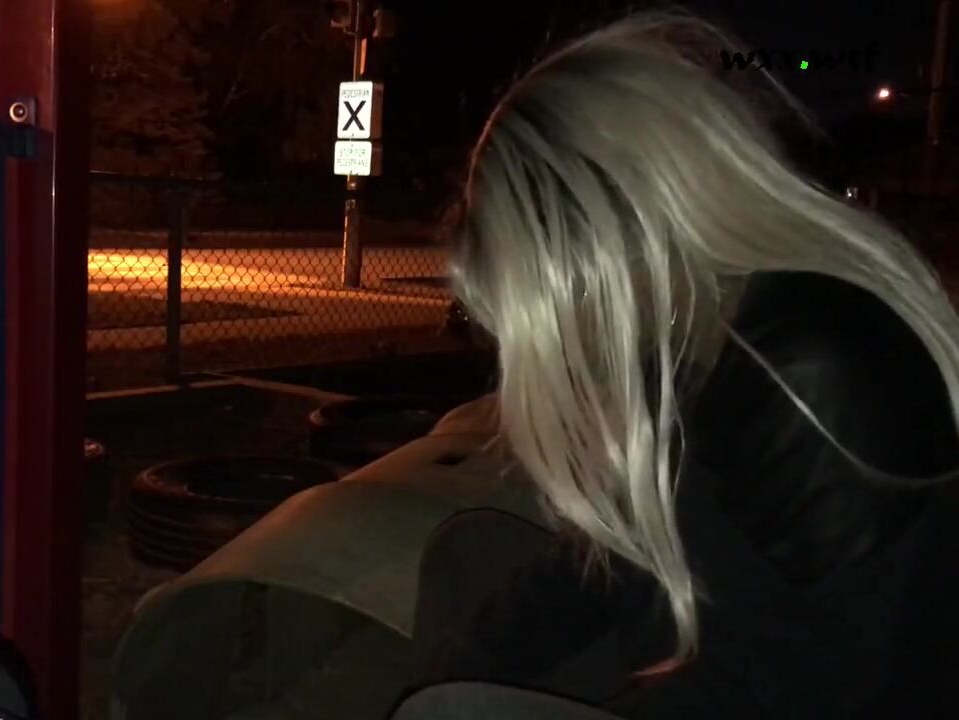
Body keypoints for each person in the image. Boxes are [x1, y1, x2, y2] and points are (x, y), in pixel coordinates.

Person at [406, 12, 959, 719]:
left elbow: (824, 687)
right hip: (708, 644)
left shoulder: (818, 369)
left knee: (451, 711)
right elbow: (615, 553)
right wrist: (464, 666)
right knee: (466, 560)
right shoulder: (688, 329)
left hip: (799, 695)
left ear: (608, 245)